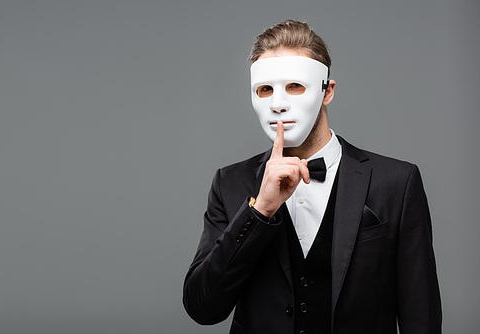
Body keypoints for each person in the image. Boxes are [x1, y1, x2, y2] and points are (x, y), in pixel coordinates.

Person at [183, 19, 441, 334]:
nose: (278, 104)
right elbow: (202, 308)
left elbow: (421, 317)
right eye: (265, 89)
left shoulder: (397, 182)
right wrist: (259, 210)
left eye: (295, 85)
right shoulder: (230, 183)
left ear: (327, 91)